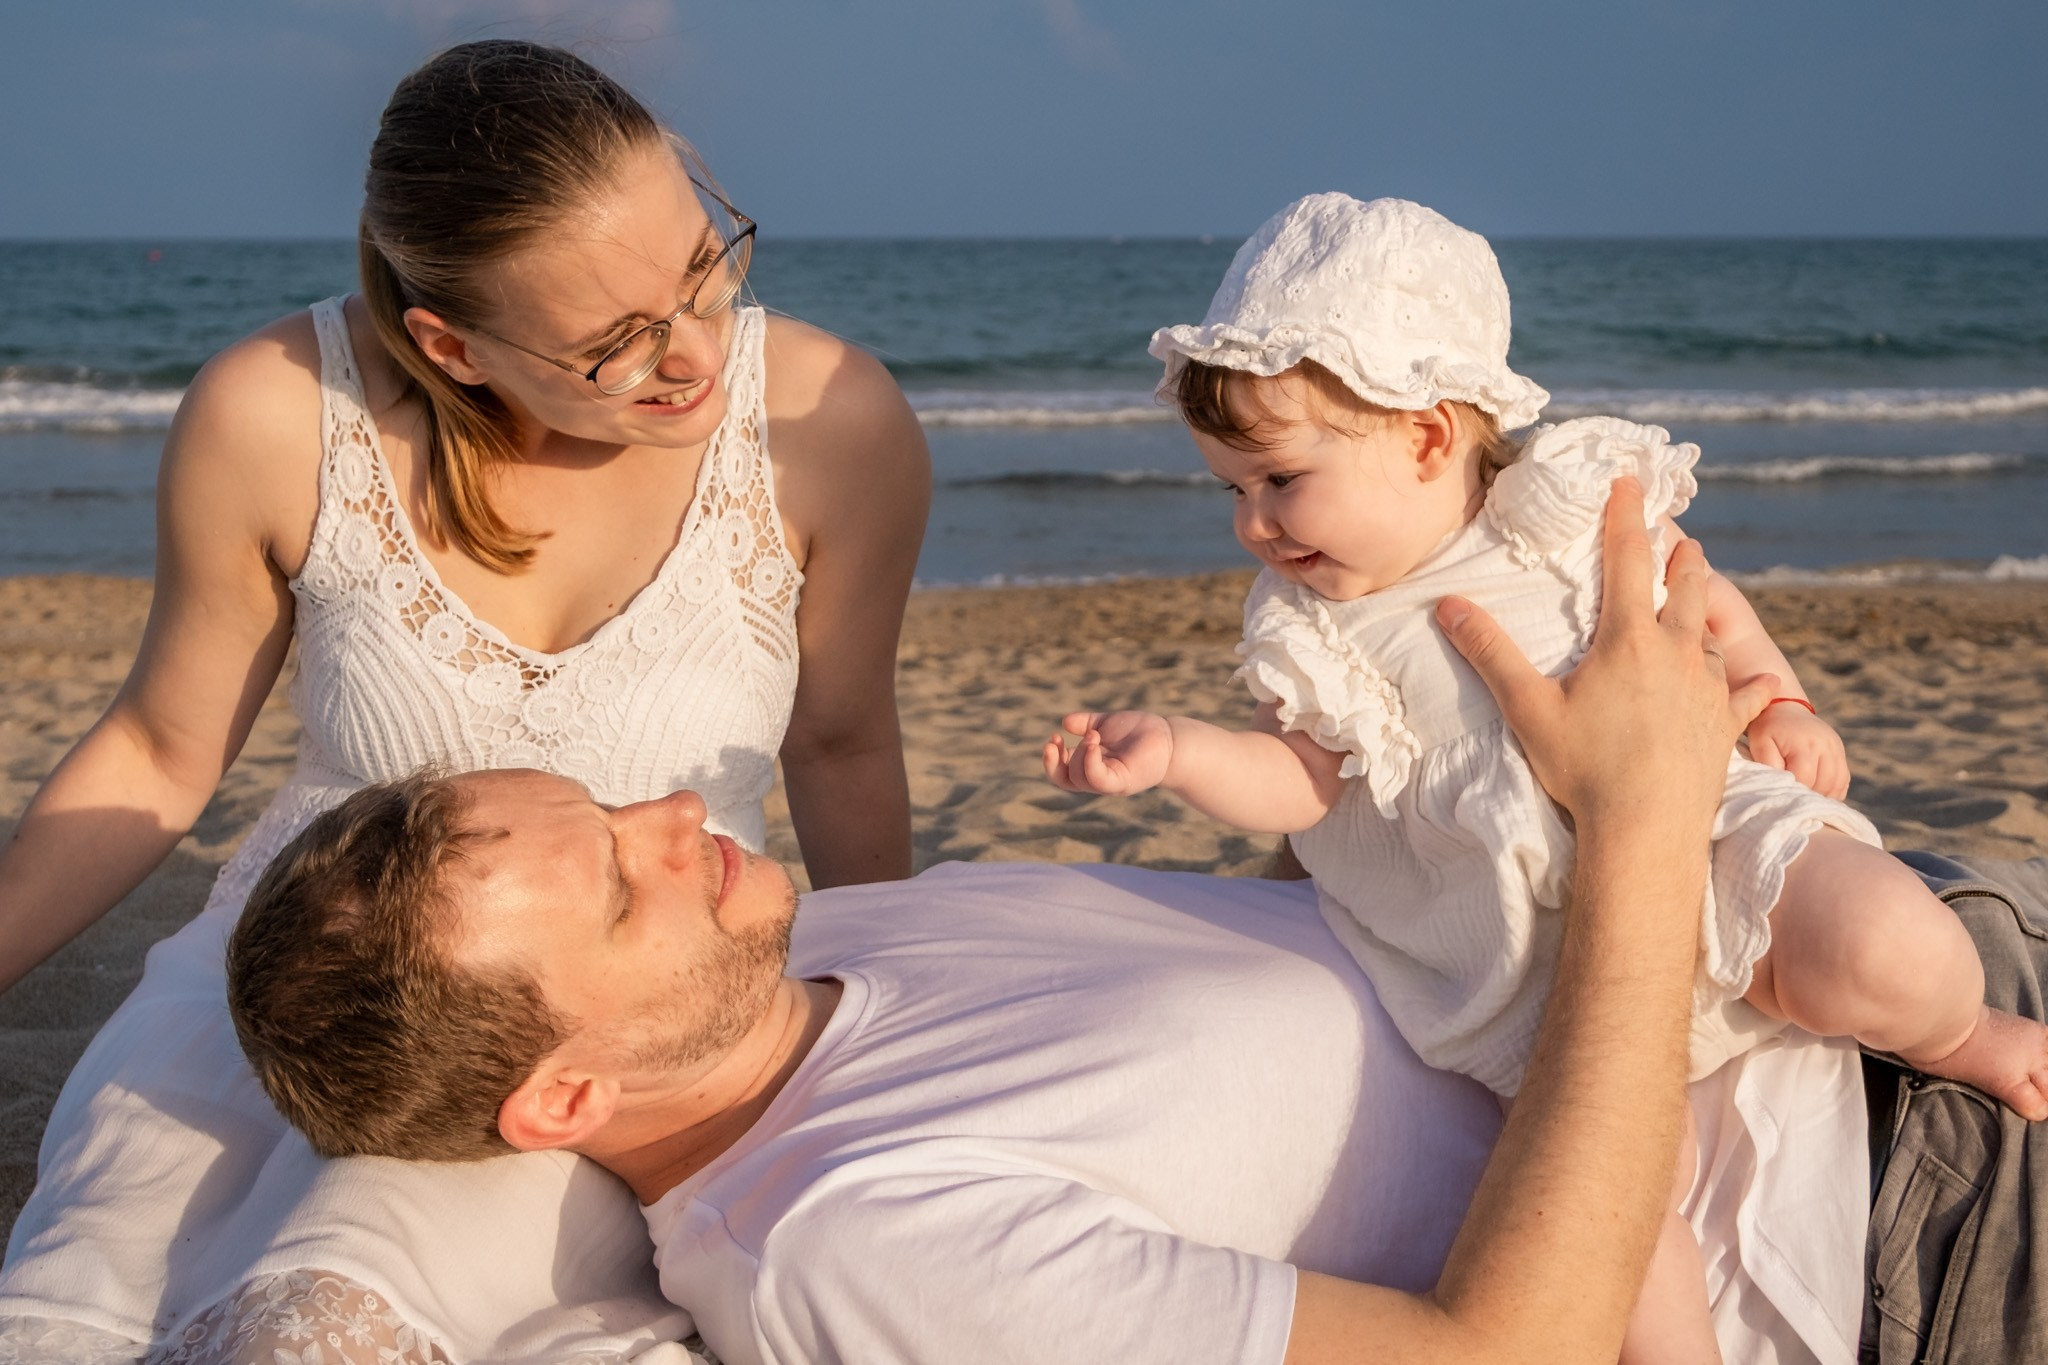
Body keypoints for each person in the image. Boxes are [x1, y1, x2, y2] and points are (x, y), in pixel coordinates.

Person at [223, 485, 1870, 1365]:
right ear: (565, 1102)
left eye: (612, 809)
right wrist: (1643, 836)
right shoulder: (845, 1245)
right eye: (614, 880)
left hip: (1798, 968)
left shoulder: (864, 939)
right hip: (1866, 1219)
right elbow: (1506, 1357)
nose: (676, 823)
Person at [0, 40, 927, 1365]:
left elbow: (839, 744)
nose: (694, 358)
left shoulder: (833, 423)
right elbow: (158, 752)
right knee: (120, 1259)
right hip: (307, 974)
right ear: (449, 342)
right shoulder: (272, 414)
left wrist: (872, 1012)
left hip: (632, 997)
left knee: (393, 1267)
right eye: (615, 343)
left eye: (707, 271)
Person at [1041, 193, 2048, 1362]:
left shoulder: (1560, 511)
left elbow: (1700, 592)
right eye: (1230, 492)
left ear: (1423, 435)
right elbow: (1305, 785)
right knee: (1606, 1209)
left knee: (1888, 943)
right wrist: (1177, 753)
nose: (1252, 527)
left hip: (1707, 833)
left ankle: (1956, 1035)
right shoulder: (1315, 629)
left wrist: (1774, 695)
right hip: (1532, 960)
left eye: (1277, 480)